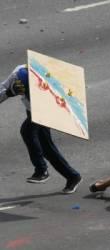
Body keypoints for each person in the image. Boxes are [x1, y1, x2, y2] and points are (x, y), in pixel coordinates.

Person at [0, 65, 82, 194]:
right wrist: (9, 92)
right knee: (46, 148)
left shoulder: (49, 82)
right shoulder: (17, 75)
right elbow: (2, 90)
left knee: (26, 131)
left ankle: (41, 170)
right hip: (31, 110)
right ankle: (72, 176)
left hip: (46, 108)